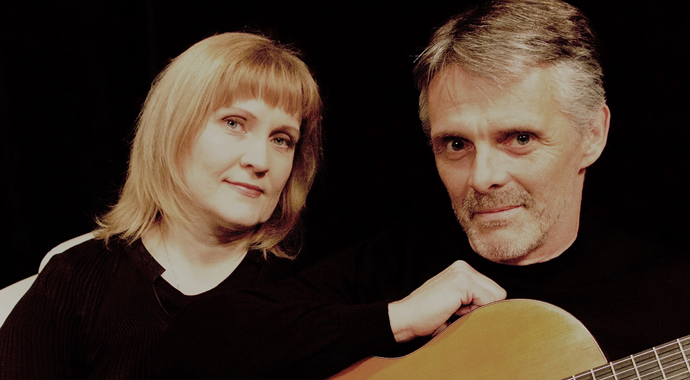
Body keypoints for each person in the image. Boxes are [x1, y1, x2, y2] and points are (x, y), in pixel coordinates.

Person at [150, 1, 690, 379]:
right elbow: (190, 348)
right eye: (455, 145)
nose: (482, 177)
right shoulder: (395, 267)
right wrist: (398, 317)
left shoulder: (670, 298)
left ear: (592, 134)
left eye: (519, 138)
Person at [0, 32, 322, 379]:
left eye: (281, 140)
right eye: (234, 123)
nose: (260, 160)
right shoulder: (73, 280)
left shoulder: (310, 280)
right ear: (173, 130)